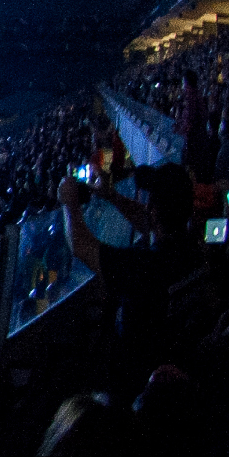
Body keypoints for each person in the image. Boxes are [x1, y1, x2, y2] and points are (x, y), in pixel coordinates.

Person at [58, 165, 199, 389]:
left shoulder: (147, 267)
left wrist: (69, 202)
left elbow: (81, 245)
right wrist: (111, 196)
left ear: (153, 209)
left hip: (138, 389)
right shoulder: (194, 249)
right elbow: (151, 222)